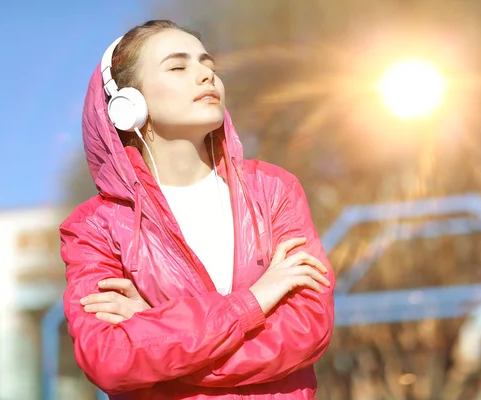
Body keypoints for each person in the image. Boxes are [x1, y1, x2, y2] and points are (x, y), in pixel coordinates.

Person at [60, 19, 336, 399]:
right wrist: (255, 300)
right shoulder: (95, 227)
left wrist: (154, 327)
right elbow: (109, 358)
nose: (205, 75)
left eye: (209, 65)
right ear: (129, 104)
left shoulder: (273, 191)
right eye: (178, 66)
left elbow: (307, 330)